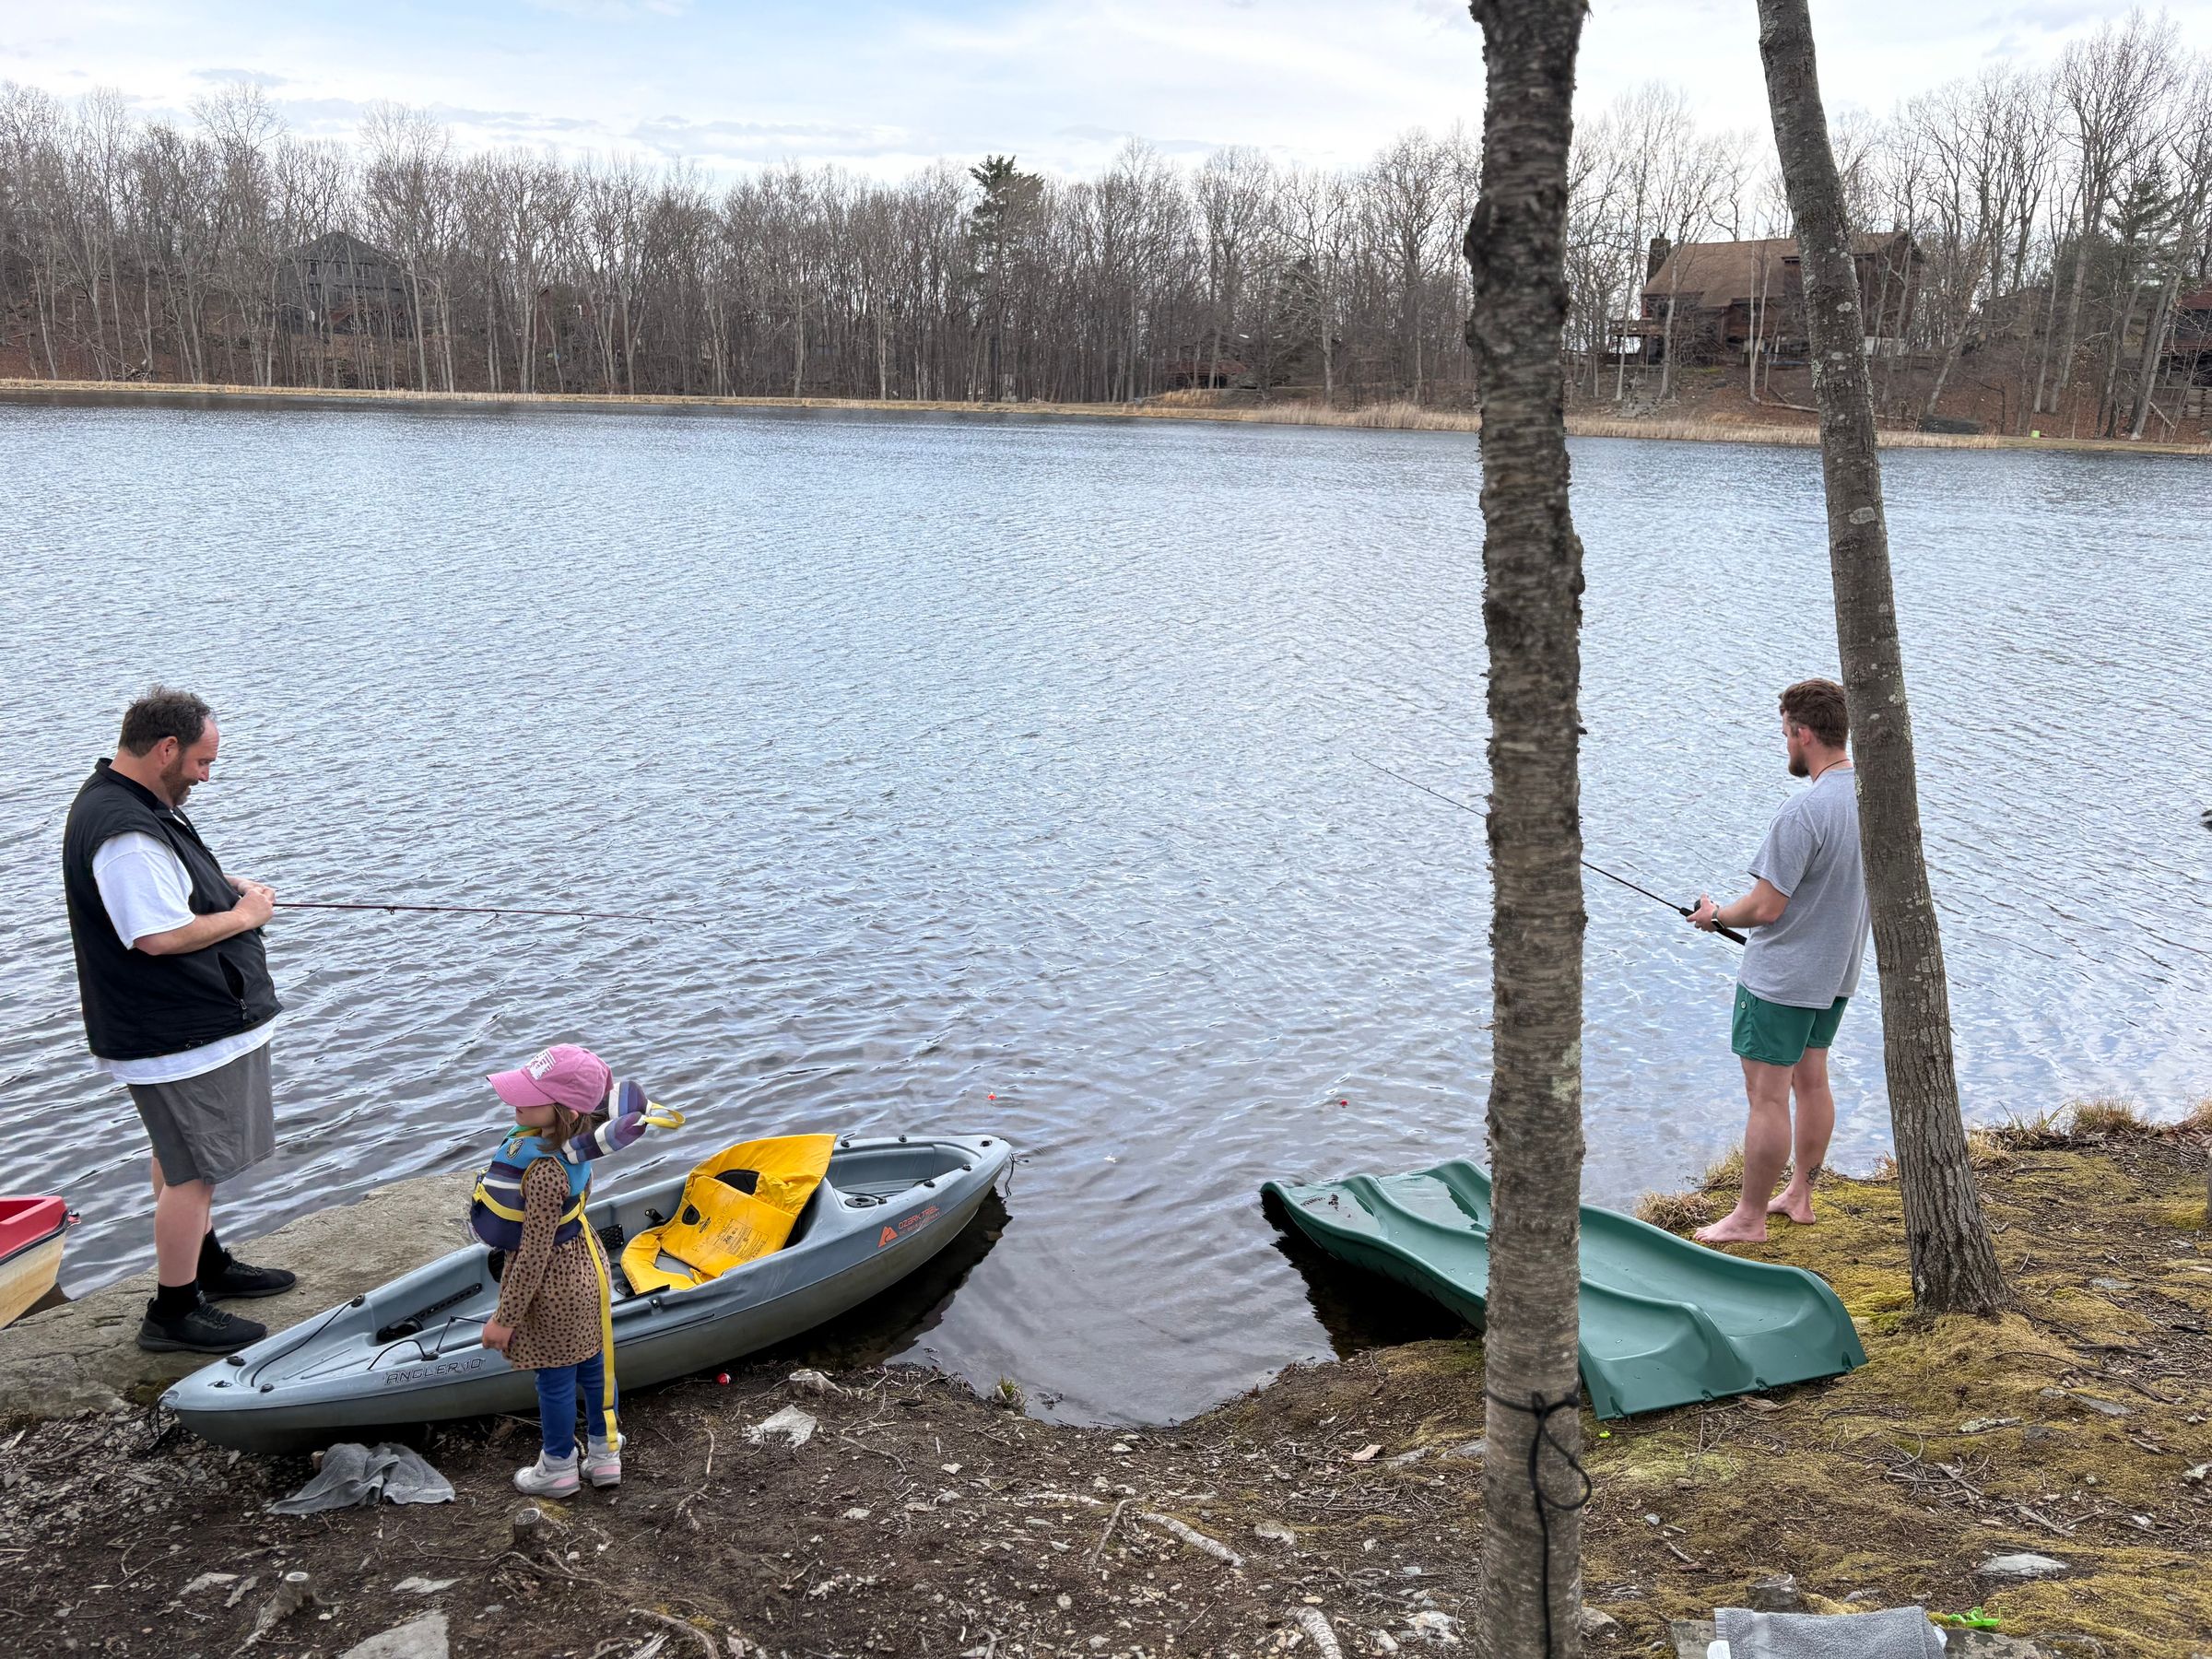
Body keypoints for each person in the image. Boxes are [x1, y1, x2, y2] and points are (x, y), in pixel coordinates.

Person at [61, 688, 294, 1354]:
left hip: (172, 1028)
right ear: (166, 749)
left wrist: (229, 890)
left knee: (179, 1156)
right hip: (178, 1034)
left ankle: (205, 1264)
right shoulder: (127, 831)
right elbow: (156, 936)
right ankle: (174, 1310)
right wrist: (246, 917)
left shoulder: (130, 803)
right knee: (193, 1170)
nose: (204, 775)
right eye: (200, 762)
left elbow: (166, 892)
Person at [1686, 677, 1871, 1245]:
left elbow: (1765, 908)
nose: (1785, 744)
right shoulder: (1873, 795)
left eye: (1786, 734)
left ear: (1804, 733)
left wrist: (1716, 916)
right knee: (1812, 1083)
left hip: (1785, 977)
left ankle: (1749, 1218)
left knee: (1767, 1096)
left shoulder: (1804, 811)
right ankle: (1799, 1195)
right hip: (1837, 974)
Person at [473, 1044, 683, 1498]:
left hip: (556, 1288)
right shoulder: (572, 1152)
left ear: (563, 1110)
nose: (514, 1102)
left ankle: (558, 1468)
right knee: (592, 1365)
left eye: (528, 1094)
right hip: (586, 1272)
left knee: (554, 1379)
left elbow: (533, 1254)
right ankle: (605, 1456)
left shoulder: (544, 1168)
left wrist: (504, 1319)